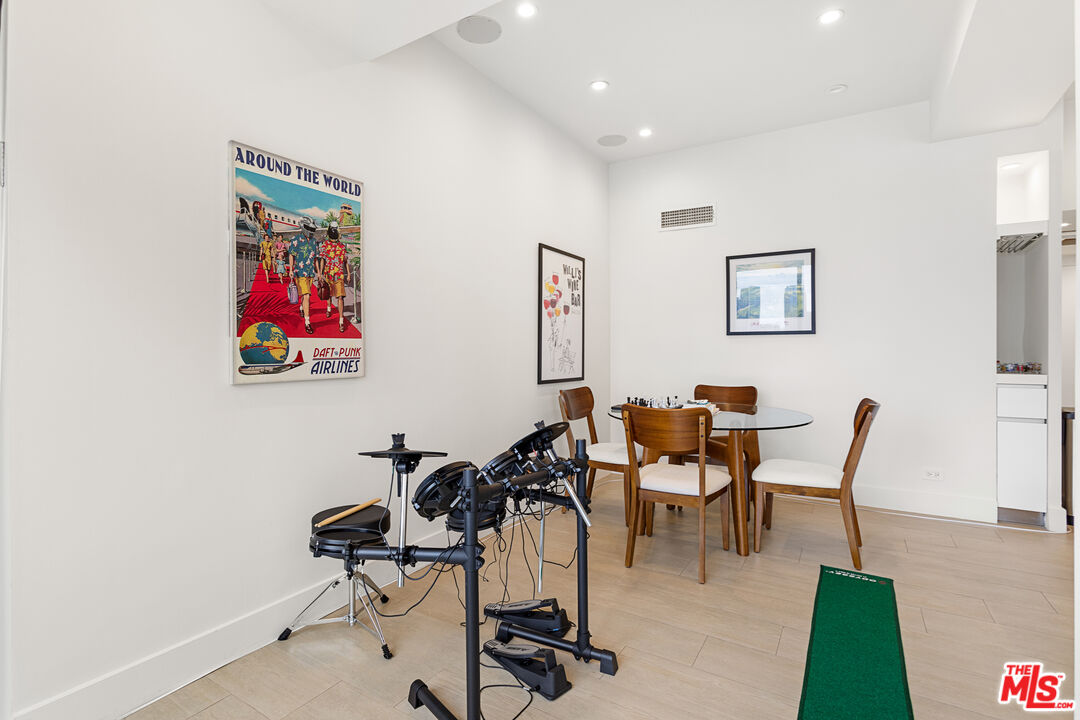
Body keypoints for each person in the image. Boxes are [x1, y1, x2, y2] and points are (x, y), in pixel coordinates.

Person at [318, 221, 352, 333]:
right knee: (328, 294)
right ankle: (328, 308)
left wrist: (348, 273)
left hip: (339, 275)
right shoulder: (324, 245)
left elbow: (345, 261)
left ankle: (341, 321)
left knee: (340, 297)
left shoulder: (342, 246)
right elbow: (322, 260)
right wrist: (320, 273)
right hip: (328, 274)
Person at [289, 217, 320, 334]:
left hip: (310, 272)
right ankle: (307, 322)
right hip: (300, 272)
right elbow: (291, 254)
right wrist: (291, 269)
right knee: (306, 295)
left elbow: (315, 258)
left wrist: (319, 273)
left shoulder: (314, 241)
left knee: (304, 294)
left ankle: (301, 307)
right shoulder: (295, 239)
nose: (311, 231)